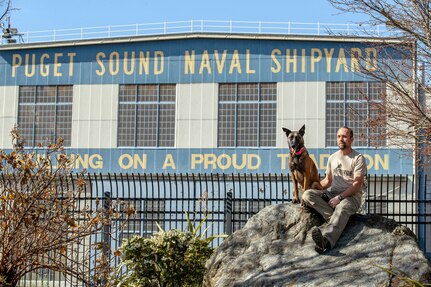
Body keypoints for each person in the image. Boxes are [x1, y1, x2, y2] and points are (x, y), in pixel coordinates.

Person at [302, 126, 367, 254]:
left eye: (344, 136)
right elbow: (327, 181)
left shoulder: (358, 158)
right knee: (307, 195)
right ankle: (338, 221)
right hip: (332, 194)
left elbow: (357, 185)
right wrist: (312, 189)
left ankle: (325, 242)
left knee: (342, 207)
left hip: (351, 197)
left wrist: (340, 198)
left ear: (351, 139)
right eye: (338, 136)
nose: (340, 139)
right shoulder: (333, 157)